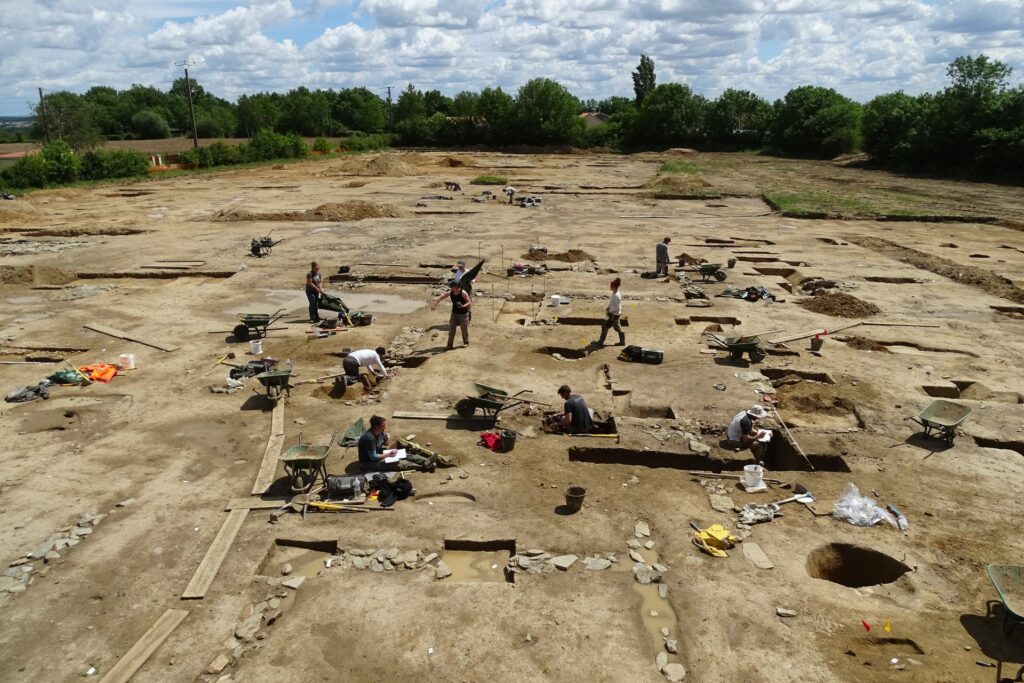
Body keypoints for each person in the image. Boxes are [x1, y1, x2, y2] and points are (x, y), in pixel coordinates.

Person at [358, 416, 436, 472]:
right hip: (369, 462)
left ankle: (426, 461)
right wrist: (389, 454)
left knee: (404, 454)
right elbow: (373, 457)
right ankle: (425, 467)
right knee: (399, 463)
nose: (385, 427)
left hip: (379, 453)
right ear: (376, 426)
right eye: (383, 425)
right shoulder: (369, 438)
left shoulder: (380, 432)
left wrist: (386, 437)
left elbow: (386, 444)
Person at [431, 280, 471, 350]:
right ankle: (449, 345)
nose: (450, 287)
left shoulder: (463, 293)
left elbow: (469, 301)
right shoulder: (451, 292)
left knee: (464, 329)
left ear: (456, 287)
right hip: (454, 313)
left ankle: (466, 342)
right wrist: (435, 304)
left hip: (463, 314)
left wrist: (463, 306)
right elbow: (442, 297)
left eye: (451, 286)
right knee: (452, 329)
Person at [596, 277, 625, 346]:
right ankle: (622, 342)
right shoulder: (614, 293)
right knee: (617, 327)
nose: (610, 287)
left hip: (614, 314)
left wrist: (609, 311)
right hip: (615, 314)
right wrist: (608, 307)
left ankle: (600, 343)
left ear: (614, 287)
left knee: (605, 326)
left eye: (611, 286)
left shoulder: (617, 296)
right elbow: (611, 303)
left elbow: (616, 307)